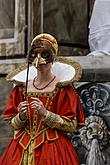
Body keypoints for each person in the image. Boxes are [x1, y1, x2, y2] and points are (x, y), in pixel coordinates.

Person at [0, 33, 84, 165]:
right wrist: (21, 116)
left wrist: (46, 114)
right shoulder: (22, 88)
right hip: (21, 146)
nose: (39, 60)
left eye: (45, 54)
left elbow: (72, 125)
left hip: (53, 150)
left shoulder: (63, 89)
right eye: (35, 54)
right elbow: (12, 123)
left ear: (53, 57)